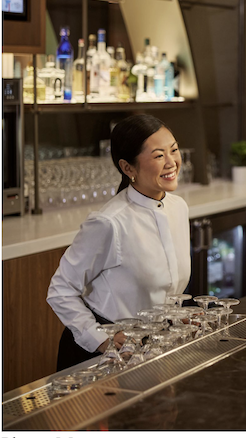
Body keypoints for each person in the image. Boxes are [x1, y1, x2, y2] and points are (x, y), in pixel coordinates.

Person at [47, 114, 191, 371]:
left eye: (174, 150)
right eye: (159, 156)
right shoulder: (109, 222)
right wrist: (102, 340)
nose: (172, 162)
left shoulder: (178, 208)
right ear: (128, 168)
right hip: (103, 356)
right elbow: (60, 289)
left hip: (152, 348)